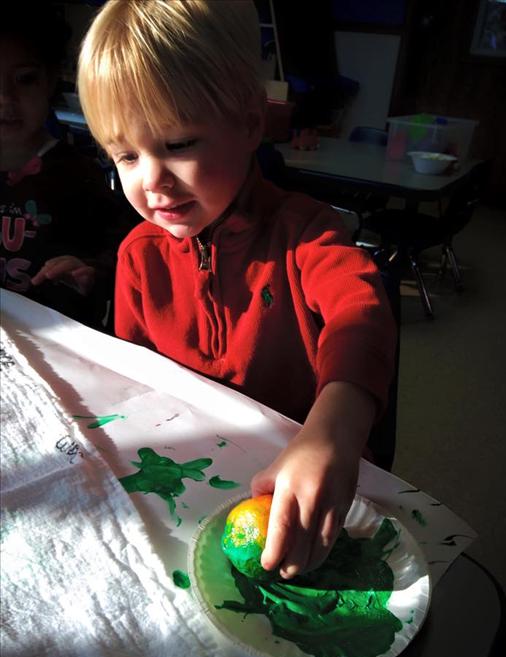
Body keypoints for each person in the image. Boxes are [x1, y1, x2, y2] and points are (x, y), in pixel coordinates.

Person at [77, 0, 397, 578]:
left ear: (250, 122)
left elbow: (361, 314)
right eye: (126, 156)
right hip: (193, 481)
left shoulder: (306, 232)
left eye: (178, 144)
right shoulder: (138, 257)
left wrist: (334, 431)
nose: (152, 181)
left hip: (300, 486)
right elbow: (135, 389)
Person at [0, 3, 136, 330]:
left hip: (56, 338)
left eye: (24, 79)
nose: (5, 97)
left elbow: (123, 253)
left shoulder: (77, 175)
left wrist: (88, 270)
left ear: (50, 80)